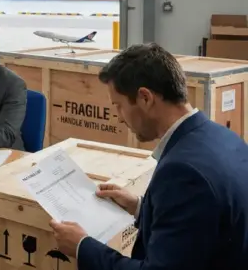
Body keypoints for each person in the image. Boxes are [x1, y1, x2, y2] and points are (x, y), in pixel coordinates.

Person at [50, 43, 248, 269]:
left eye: (119, 106)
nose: (119, 118)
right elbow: (198, 224)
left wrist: (82, 246)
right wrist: (140, 207)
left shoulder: (183, 172)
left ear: (145, 98)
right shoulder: (223, 136)